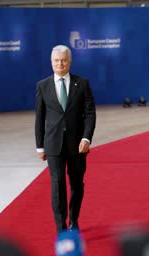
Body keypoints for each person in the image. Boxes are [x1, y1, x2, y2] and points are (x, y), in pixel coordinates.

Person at [35, 45, 96, 233]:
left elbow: (90, 113)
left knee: (77, 184)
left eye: (63, 60)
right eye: (56, 60)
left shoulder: (82, 83)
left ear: (69, 62)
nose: (59, 64)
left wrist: (86, 138)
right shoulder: (42, 86)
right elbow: (40, 117)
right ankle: (61, 227)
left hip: (77, 145)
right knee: (57, 184)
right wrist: (39, 147)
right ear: (51, 62)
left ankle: (74, 220)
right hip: (53, 145)